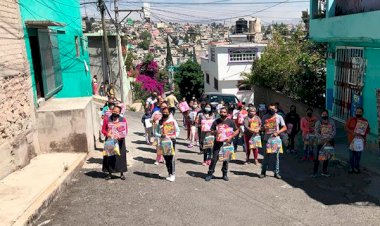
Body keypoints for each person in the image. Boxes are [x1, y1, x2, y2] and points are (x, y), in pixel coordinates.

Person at [205, 107, 240, 182]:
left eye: (224, 112)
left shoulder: (231, 122)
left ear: (227, 113)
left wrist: (231, 136)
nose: (222, 114)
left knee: (226, 159)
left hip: (227, 143)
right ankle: (210, 173)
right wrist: (215, 132)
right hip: (217, 143)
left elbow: (237, 130)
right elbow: (211, 131)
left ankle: (224, 174)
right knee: (214, 159)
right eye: (221, 112)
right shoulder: (216, 121)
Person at [259, 103, 287, 179]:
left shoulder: (279, 117)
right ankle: (263, 172)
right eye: (269, 109)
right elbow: (260, 128)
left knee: (276, 157)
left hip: (276, 140)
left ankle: (276, 172)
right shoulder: (265, 117)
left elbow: (284, 127)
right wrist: (263, 127)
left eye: (272, 109)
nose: (271, 110)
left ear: (276, 110)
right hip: (266, 140)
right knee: (266, 157)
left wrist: (277, 132)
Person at [101, 106, 128, 180]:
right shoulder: (107, 119)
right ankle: (110, 173)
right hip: (110, 140)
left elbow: (126, 131)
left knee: (121, 157)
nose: (115, 113)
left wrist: (121, 136)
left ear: (120, 112)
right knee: (110, 157)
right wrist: (108, 134)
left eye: (117, 112)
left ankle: (121, 173)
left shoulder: (123, 120)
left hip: (120, 141)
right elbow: (103, 130)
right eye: (114, 111)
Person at [155, 107, 180, 182]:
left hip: (171, 142)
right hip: (163, 142)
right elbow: (155, 132)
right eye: (164, 112)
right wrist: (160, 135)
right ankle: (169, 173)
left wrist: (174, 136)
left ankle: (173, 174)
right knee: (166, 158)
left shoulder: (172, 121)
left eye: (166, 112)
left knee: (171, 158)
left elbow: (178, 130)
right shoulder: (159, 121)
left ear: (169, 113)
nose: (165, 113)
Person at [345, 107, 370, 174]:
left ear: (362, 113)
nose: (358, 113)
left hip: (360, 141)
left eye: (360, 112)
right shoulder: (351, 119)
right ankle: (351, 167)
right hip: (351, 141)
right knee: (351, 156)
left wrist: (362, 132)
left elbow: (368, 130)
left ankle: (356, 167)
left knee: (358, 156)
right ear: (355, 112)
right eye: (357, 112)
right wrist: (352, 132)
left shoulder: (365, 121)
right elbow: (346, 128)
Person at [313, 110, 336, 177]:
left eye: (326, 114)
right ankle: (315, 171)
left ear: (328, 115)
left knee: (326, 157)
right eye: (323, 114)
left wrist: (329, 138)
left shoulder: (331, 121)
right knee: (318, 157)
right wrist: (323, 138)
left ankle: (324, 171)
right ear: (321, 115)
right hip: (321, 142)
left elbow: (334, 131)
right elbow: (316, 132)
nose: (324, 115)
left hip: (329, 141)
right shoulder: (318, 122)